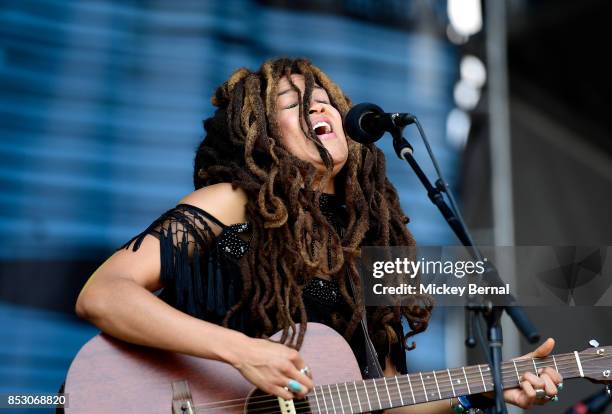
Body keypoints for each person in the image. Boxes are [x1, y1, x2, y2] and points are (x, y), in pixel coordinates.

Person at [75, 57, 562, 413]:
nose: (316, 111)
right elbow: (103, 295)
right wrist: (244, 353)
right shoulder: (230, 202)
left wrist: (482, 389)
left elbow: (384, 399)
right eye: (293, 105)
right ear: (260, 133)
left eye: (325, 102)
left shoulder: (365, 246)